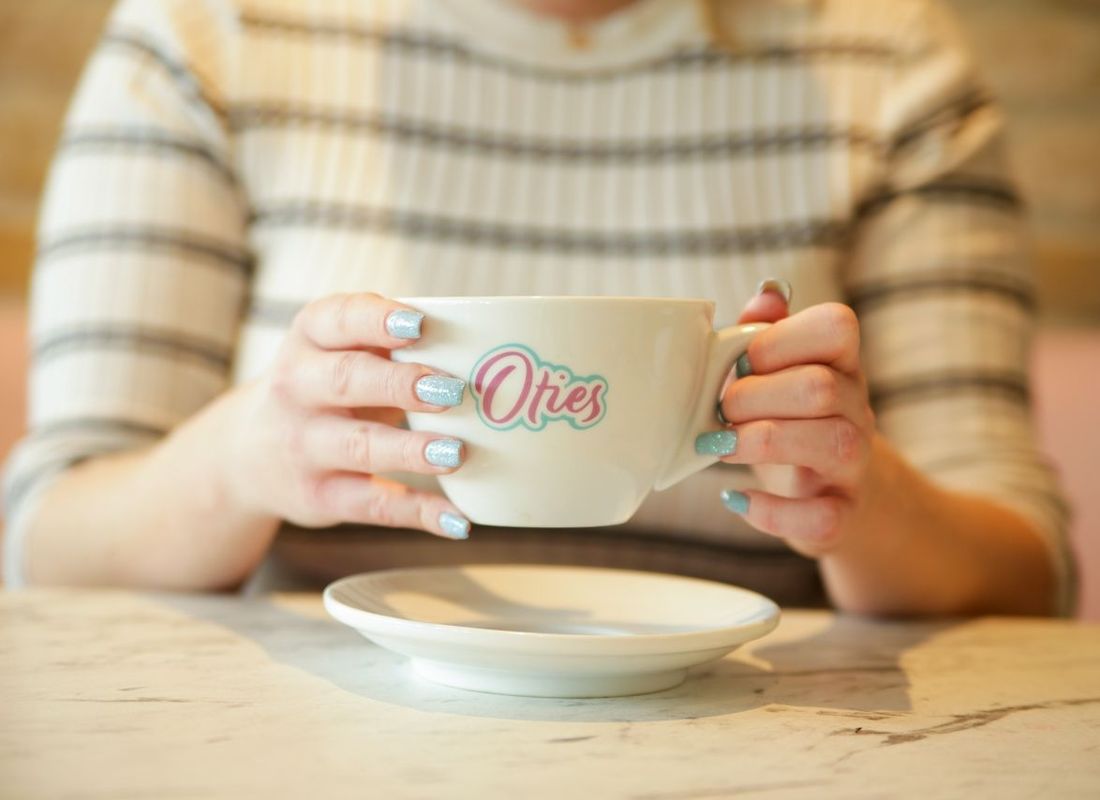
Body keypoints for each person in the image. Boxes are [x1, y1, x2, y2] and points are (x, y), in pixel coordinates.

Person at [1, 0, 1074, 615]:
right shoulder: (204, 38)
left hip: (764, 733)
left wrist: (860, 492)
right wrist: (242, 454)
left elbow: (1026, 576)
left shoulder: (889, 65)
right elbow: (46, 539)